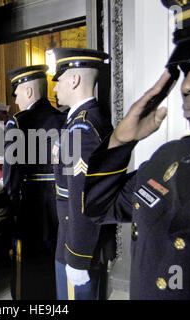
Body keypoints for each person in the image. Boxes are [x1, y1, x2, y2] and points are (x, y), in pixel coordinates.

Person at [84, 0, 190, 300]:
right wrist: (122, 140)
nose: (187, 85)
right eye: (184, 69)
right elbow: (99, 208)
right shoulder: (172, 157)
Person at [51, 48, 117, 300]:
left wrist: (76, 258)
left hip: (77, 246)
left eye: (58, 82)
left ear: (75, 80)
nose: (55, 89)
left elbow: (81, 198)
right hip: (87, 240)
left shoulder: (81, 128)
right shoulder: (90, 119)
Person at [4, 65, 66, 300]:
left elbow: (12, 177)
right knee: (56, 265)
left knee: (27, 272)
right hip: (61, 205)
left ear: (28, 92)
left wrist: (11, 212)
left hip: (31, 208)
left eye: (17, 93)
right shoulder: (65, 119)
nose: (16, 100)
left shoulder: (18, 123)